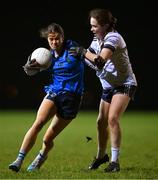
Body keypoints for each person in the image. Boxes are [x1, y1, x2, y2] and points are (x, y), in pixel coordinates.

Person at [8, 22, 87, 172]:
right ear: (47, 39)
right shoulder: (47, 55)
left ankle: (41, 156)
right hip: (54, 93)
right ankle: (18, 160)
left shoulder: (73, 49)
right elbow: (31, 71)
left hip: (71, 98)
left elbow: (87, 55)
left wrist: (96, 59)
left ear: (62, 37)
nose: (54, 42)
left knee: (47, 139)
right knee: (37, 124)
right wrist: (29, 66)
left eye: (57, 39)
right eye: (51, 39)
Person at [84, 8, 138, 172]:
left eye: (95, 26)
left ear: (106, 25)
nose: (92, 29)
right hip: (109, 86)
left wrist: (82, 52)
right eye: (91, 26)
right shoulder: (96, 41)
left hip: (124, 84)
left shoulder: (113, 37)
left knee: (112, 119)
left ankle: (114, 162)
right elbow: (90, 61)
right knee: (101, 121)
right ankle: (101, 156)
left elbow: (99, 62)